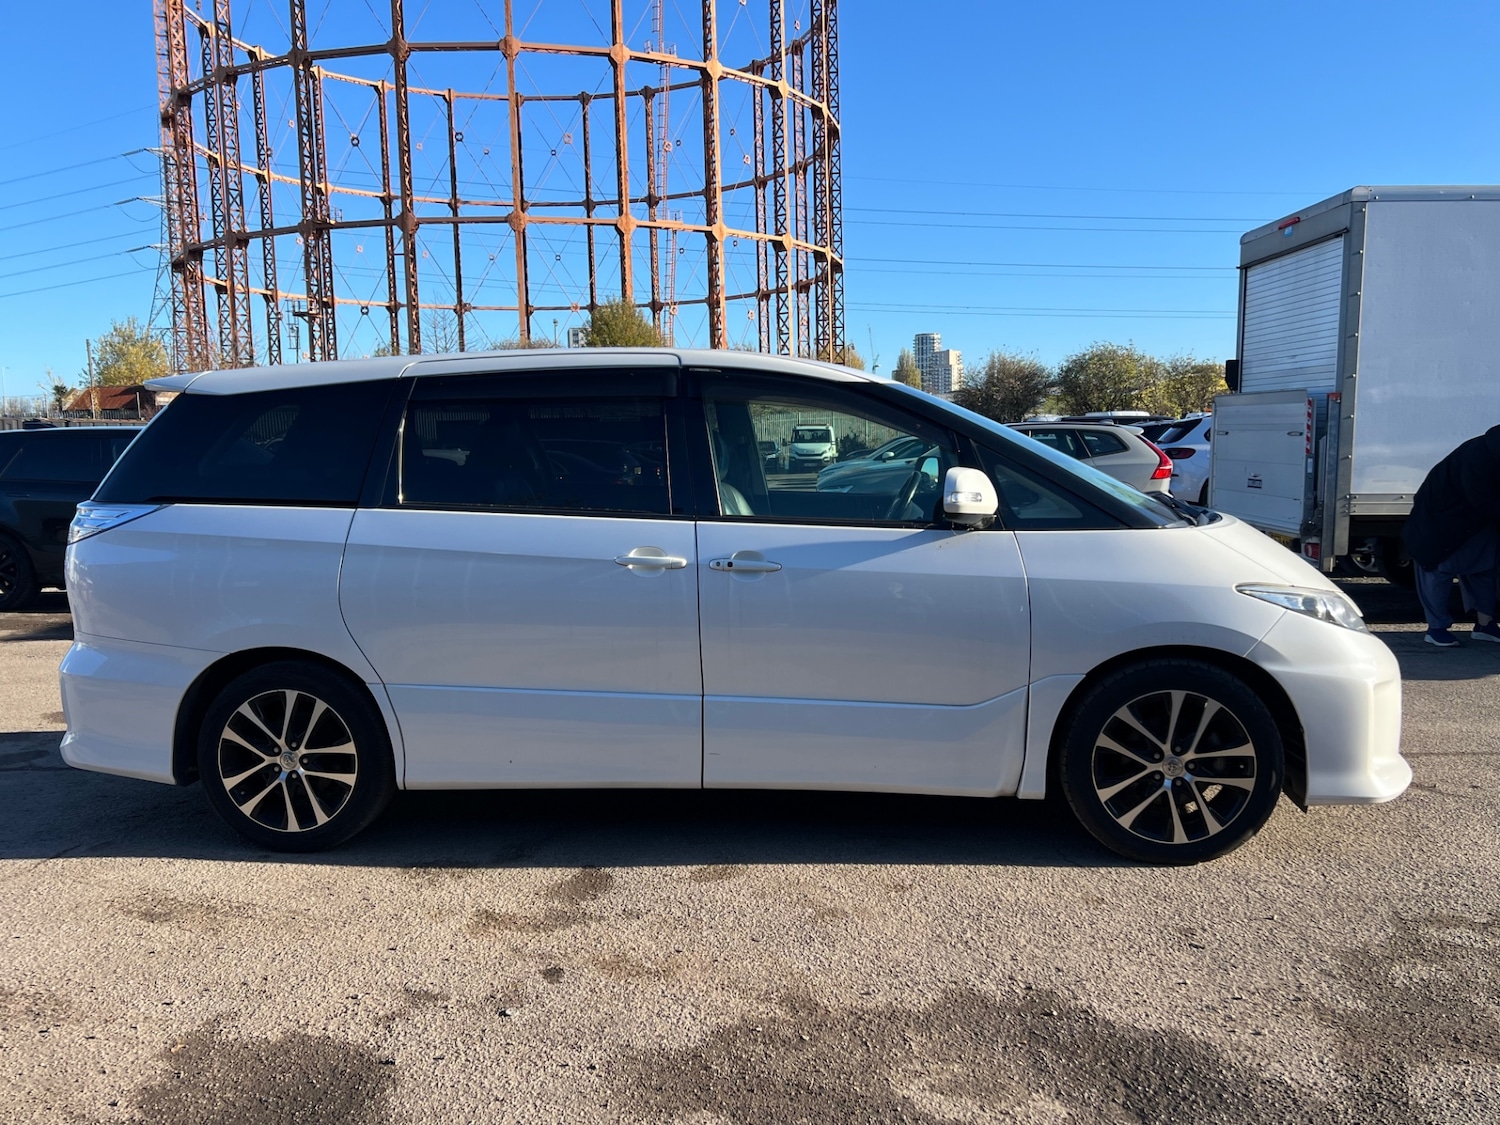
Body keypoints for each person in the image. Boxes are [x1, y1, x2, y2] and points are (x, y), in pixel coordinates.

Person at [1401, 424, 1500, 647]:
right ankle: (1436, 628)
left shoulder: (1488, 450)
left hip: (1472, 523)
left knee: (1483, 568)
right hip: (1439, 522)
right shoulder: (1478, 457)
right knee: (1438, 571)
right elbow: (1483, 499)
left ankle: (1486, 624)